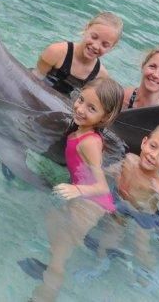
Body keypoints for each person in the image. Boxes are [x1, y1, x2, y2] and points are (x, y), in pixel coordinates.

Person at [31, 78, 124, 302]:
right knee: (54, 225)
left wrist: (78, 191)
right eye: (81, 100)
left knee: (59, 258)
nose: (80, 109)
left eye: (91, 108)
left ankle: (44, 294)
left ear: (106, 117)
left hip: (91, 203)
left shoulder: (89, 142)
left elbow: (101, 186)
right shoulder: (80, 131)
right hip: (84, 199)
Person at [89, 121, 159, 278]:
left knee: (141, 249)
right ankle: (100, 263)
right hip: (121, 204)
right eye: (153, 146)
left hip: (144, 216)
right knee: (110, 235)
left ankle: (150, 275)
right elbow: (107, 173)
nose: (154, 155)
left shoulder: (157, 187)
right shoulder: (129, 159)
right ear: (144, 142)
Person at [34, 11, 123, 96]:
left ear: (112, 47)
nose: (96, 46)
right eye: (94, 37)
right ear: (86, 28)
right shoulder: (56, 52)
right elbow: (33, 80)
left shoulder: (100, 76)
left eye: (105, 45)